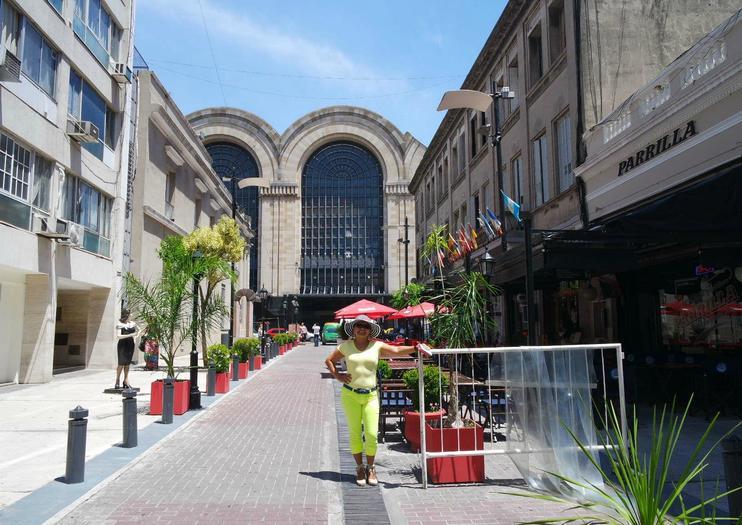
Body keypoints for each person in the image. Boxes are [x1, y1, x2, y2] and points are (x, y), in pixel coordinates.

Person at [324, 314, 429, 486]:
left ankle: (371, 467)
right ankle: (359, 467)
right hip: (350, 395)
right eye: (359, 325)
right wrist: (337, 375)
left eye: (365, 326)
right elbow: (329, 360)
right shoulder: (346, 346)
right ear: (354, 328)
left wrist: (416, 348)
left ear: (370, 330)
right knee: (355, 433)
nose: (362, 329)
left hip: (371, 395)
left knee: (372, 434)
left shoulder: (377, 346)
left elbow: (396, 350)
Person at [115, 309, 141, 389]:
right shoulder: (120, 324)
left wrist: (135, 337)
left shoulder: (132, 323)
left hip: (130, 344)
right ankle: (117, 380)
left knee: (127, 364)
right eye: (130, 314)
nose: (131, 315)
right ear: (126, 315)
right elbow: (118, 336)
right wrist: (131, 335)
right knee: (121, 363)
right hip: (122, 344)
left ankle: (126, 380)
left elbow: (139, 330)